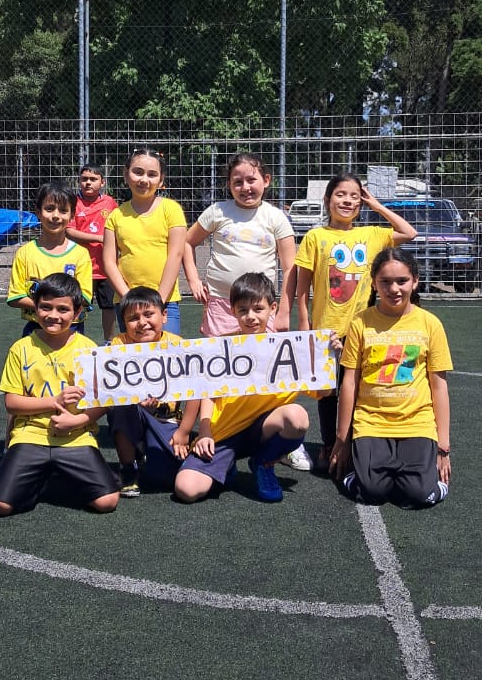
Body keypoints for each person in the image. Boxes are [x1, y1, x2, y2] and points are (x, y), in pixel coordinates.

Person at [182, 152, 310, 471]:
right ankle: (211, 429)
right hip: (221, 306)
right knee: (215, 370)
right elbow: (187, 242)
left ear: (266, 181)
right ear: (229, 184)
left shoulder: (275, 217)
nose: (245, 187)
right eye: (237, 181)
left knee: (269, 372)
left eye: (251, 180)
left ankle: (284, 440)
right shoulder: (217, 211)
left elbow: (290, 267)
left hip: (260, 309)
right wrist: (193, 279)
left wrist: (283, 312)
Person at [295, 171, 417, 471]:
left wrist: (376, 204)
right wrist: (304, 324)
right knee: (328, 393)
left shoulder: (372, 234)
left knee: (359, 389)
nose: (347, 201)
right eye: (341, 195)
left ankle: (352, 442)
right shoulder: (315, 237)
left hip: (362, 331)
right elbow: (302, 287)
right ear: (328, 199)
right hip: (326, 332)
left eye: (354, 197)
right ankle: (329, 445)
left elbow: (409, 232)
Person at [174, 273, 314, 504]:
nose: (250, 316)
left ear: (272, 308)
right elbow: (208, 393)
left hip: (263, 429)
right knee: (186, 489)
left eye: (258, 309)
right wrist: (205, 432)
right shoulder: (221, 345)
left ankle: (263, 462)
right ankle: (226, 463)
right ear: (233, 311)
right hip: (225, 431)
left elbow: (323, 391)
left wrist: (329, 354)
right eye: (243, 310)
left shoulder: (288, 348)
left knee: (297, 418)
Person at [0, 274, 119, 517]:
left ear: (77, 312)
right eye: (45, 307)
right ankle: (40, 477)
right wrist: (55, 401)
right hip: (30, 435)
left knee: (107, 502)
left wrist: (77, 421)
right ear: (35, 308)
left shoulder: (88, 349)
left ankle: (57, 473)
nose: (53, 315)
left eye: (63, 309)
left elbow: (103, 402)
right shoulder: (21, 348)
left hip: (76, 436)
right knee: (0, 506)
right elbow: (12, 403)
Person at [329, 247, 452, 508]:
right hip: (371, 422)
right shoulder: (360, 323)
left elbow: (439, 386)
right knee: (372, 491)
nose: (394, 289)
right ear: (374, 283)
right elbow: (349, 382)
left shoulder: (430, 324)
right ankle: (365, 474)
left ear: (415, 281)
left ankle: (421, 479)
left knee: (420, 495)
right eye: (385, 281)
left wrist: (443, 446)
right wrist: (342, 439)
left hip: (416, 422)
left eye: (402, 281)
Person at [108, 286, 200, 498]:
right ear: (124, 322)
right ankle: (128, 469)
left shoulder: (178, 345)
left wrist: (184, 431)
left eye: (149, 314)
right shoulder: (119, 343)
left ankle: (144, 450)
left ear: (164, 315)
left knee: (166, 478)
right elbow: (112, 386)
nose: (142, 322)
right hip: (134, 411)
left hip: (167, 420)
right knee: (120, 406)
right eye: (133, 318)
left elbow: (196, 392)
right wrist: (135, 398)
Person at [102, 147, 187, 335]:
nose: (144, 179)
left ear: (161, 180)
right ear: (126, 174)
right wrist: (128, 298)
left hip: (166, 301)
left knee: (168, 351)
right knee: (132, 353)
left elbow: (176, 255)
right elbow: (108, 262)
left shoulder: (171, 210)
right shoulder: (115, 216)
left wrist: (159, 301)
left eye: (152, 174)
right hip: (127, 304)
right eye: (138, 172)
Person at [7, 179, 93, 334]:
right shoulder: (25, 253)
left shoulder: (80, 254)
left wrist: (51, 307)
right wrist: (47, 308)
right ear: (38, 212)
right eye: (49, 209)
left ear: (72, 215)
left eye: (63, 210)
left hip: (72, 329)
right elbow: (15, 297)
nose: (55, 216)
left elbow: (85, 297)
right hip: (36, 328)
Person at [67, 164, 118, 342]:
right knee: (76, 304)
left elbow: (118, 227)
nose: (88, 183)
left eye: (93, 179)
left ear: (102, 182)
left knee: (109, 306)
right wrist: (100, 238)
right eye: (84, 179)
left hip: (106, 267)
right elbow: (69, 231)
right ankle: (73, 340)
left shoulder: (110, 203)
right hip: (81, 266)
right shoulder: (73, 202)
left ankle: (109, 342)